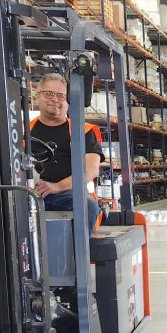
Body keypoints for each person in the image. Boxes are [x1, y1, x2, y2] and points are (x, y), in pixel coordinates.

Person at [29, 73, 104, 234]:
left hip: (66, 194)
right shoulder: (23, 130)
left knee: (88, 206)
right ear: (37, 96)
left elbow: (90, 170)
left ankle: (79, 257)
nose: (54, 99)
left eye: (61, 96)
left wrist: (56, 187)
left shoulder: (83, 131)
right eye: (48, 94)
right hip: (30, 193)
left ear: (68, 101)